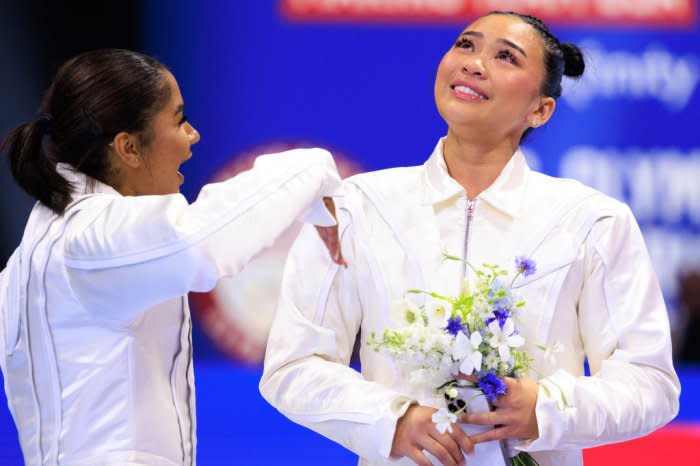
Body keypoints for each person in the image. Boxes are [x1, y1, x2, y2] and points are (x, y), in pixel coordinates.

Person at [260, 11, 680, 466]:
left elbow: (650, 383)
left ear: (540, 110)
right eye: (465, 45)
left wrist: (546, 409)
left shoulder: (592, 221)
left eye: (505, 57)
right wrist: (389, 420)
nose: (474, 63)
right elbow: (293, 366)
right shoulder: (354, 207)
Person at [0, 49, 344, 466]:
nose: (193, 135)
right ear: (128, 147)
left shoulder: (42, 245)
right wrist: (315, 169)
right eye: (179, 120)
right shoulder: (92, 240)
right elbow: (202, 242)